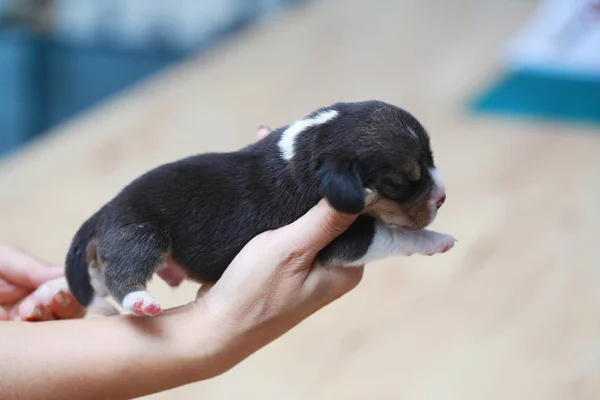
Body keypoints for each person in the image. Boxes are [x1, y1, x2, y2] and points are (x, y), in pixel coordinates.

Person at [0, 126, 365, 399]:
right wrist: (209, 328)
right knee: (132, 254)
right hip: (149, 225)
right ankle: (123, 288)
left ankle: (110, 285)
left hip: (170, 227)